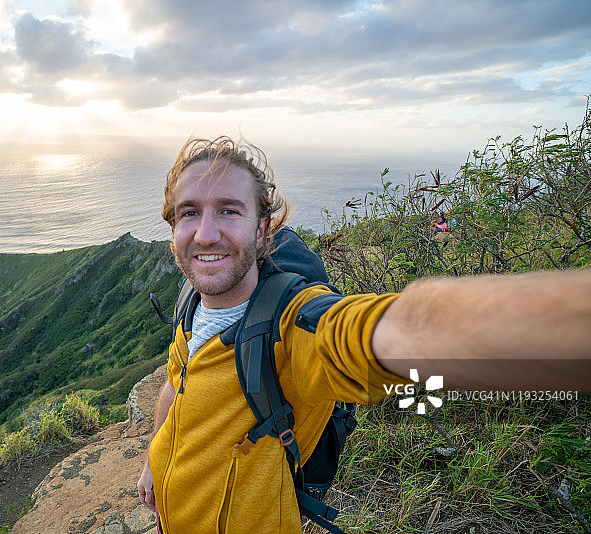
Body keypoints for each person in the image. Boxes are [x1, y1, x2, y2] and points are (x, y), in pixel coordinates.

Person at [137, 136, 591, 534]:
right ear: (173, 227)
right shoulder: (192, 306)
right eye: (189, 213)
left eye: (229, 211)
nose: (206, 233)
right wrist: (154, 462)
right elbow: (177, 382)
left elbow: (378, 333)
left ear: (261, 231)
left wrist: (565, 322)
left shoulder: (291, 330)